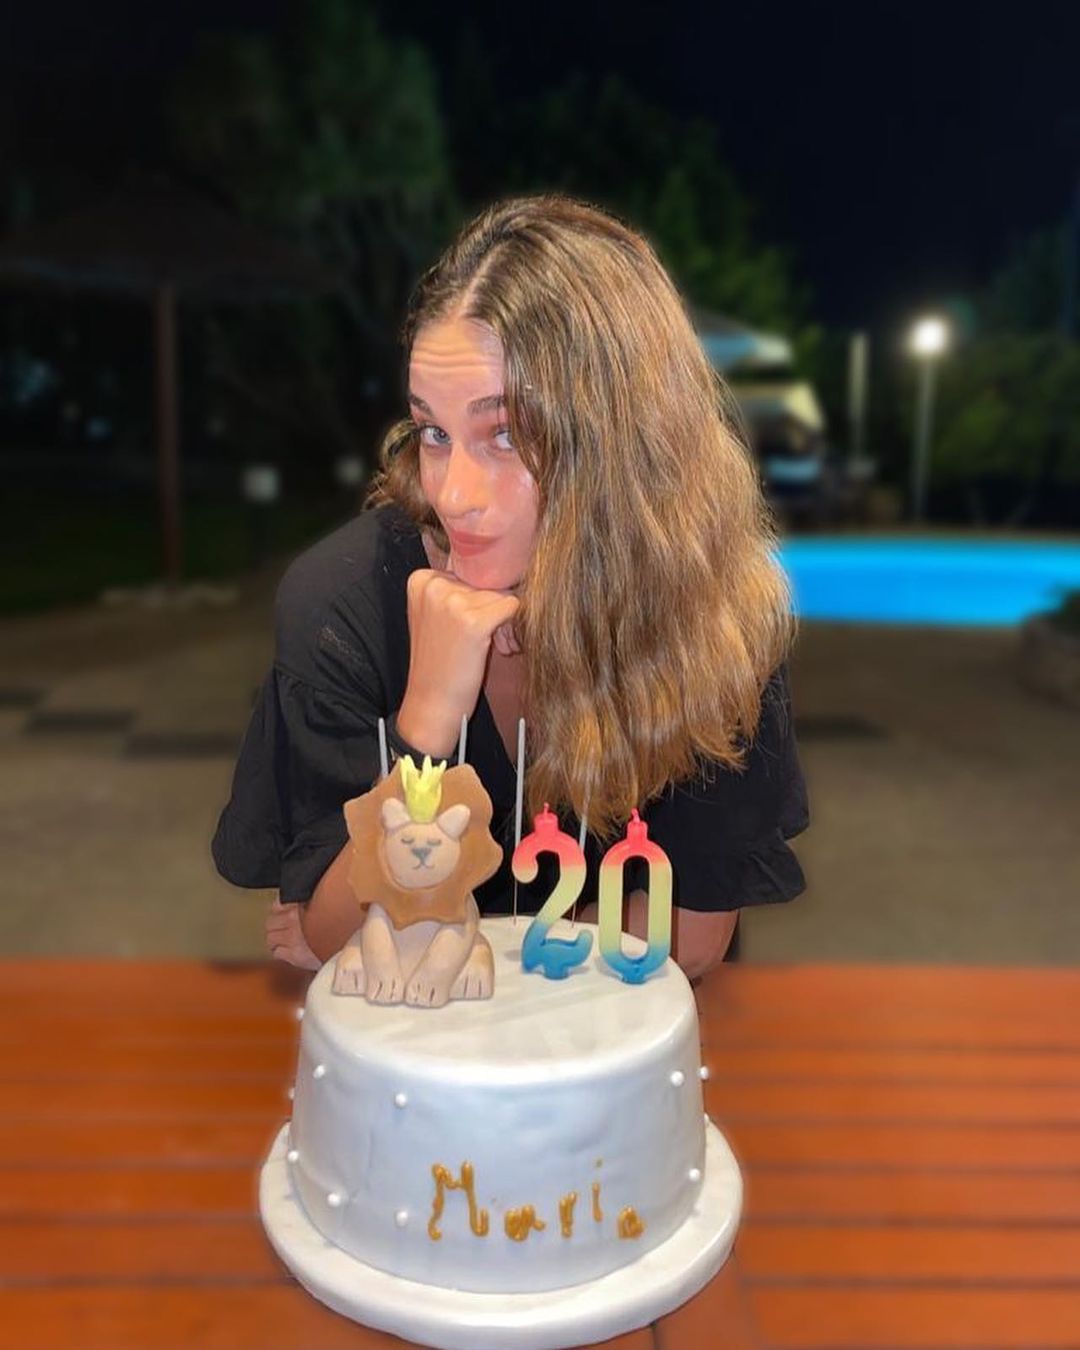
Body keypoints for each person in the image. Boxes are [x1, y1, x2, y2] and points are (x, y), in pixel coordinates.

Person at [212, 194, 809, 981]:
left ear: (625, 447)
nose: (455, 492)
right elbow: (332, 931)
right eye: (435, 432)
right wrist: (427, 719)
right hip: (424, 1049)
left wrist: (446, 938)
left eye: (505, 434)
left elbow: (692, 937)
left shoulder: (708, 603)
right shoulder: (342, 606)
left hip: (617, 1041)